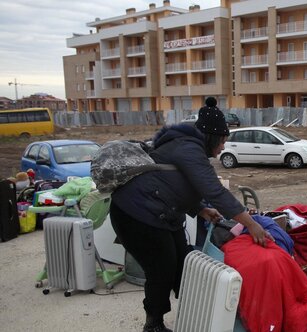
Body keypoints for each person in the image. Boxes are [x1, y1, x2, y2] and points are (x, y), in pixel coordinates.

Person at [109, 96, 272, 332]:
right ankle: (153, 324)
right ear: (212, 137)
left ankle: (193, 313)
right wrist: (251, 224)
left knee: (183, 261)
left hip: (157, 213)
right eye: (223, 140)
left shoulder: (184, 147)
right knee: (162, 268)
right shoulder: (188, 148)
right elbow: (214, 190)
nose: (224, 146)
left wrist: (200, 209)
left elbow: (174, 183)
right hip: (137, 214)